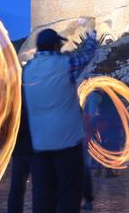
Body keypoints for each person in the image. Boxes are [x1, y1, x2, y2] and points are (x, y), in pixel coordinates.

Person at [23, 28, 99, 213]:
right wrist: (91, 38)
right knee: (69, 195)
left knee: (42, 197)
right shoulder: (65, 65)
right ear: (56, 45)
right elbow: (87, 55)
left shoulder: (27, 71)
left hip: (40, 146)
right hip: (67, 145)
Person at [7, 87, 34, 213]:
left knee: (17, 189)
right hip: (35, 149)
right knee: (40, 189)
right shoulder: (39, 93)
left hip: (21, 148)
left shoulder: (15, 96)